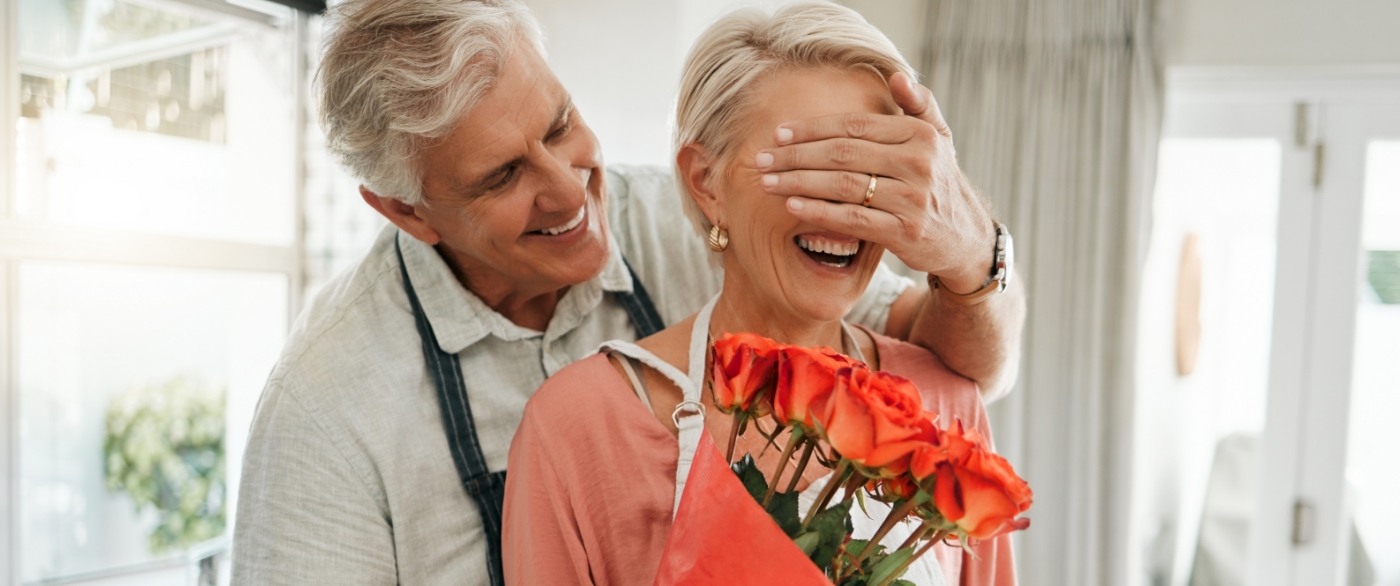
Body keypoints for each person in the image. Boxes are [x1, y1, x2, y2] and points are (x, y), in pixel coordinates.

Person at [231, 0, 1025, 584]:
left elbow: (954, 356)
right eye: (504, 175)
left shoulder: (682, 221)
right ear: (407, 210)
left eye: (559, 123)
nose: (568, 191)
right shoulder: (325, 413)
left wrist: (970, 253)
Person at [500, 4, 1016, 585]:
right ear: (706, 183)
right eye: (808, 168)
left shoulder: (948, 406)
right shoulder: (577, 428)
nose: (844, 211)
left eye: (873, 175)